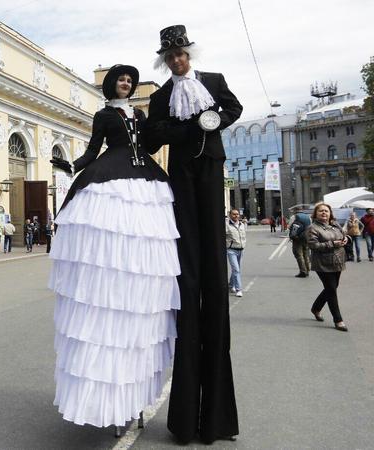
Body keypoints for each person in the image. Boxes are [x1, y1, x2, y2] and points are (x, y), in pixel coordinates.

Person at [49, 64, 179, 429]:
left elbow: (153, 142)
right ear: (112, 84)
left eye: (131, 81)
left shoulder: (139, 114)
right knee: (110, 247)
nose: (127, 83)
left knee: (148, 249)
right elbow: (92, 151)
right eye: (122, 79)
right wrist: (69, 166)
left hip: (147, 177)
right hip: (110, 174)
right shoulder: (104, 115)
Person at [145, 25, 243, 443]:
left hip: (211, 163)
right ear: (165, 61)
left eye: (181, 54)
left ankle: (217, 419)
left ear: (189, 54)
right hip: (181, 169)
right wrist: (185, 129)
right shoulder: (160, 96)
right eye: (170, 57)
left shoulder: (213, 82)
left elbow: (234, 108)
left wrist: (212, 119)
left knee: (211, 244)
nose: (177, 61)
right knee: (188, 250)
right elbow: (153, 136)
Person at [307, 204, 348, 332]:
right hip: (322, 263)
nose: (324, 213)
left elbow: (343, 235)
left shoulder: (335, 224)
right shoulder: (312, 228)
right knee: (331, 289)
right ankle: (338, 320)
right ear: (316, 214)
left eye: (326, 211)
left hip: (338, 261)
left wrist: (346, 239)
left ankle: (316, 308)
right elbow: (314, 246)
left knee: (332, 287)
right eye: (321, 211)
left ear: (330, 213)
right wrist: (332, 244)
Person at [226, 209, 246, 298]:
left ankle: (230, 286)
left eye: (237, 214)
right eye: (234, 214)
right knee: (236, 269)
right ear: (230, 215)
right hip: (231, 250)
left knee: (237, 270)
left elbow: (244, 236)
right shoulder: (226, 225)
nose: (236, 216)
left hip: (241, 250)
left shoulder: (242, 224)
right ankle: (239, 289)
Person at [289, 211, 312, 277]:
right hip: (306, 237)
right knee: (306, 253)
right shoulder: (308, 217)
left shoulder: (294, 217)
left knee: (298, 254)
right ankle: (307, 269)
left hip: (297, 238)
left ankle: (303, 271)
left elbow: (290, 226)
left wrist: (292, 235)